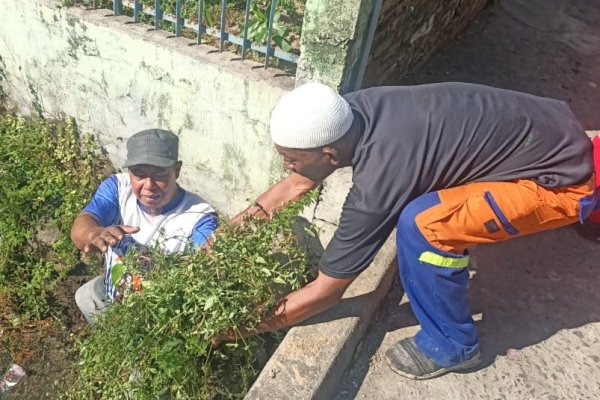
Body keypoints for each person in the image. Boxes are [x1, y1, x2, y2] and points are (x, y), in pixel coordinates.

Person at [227, 82, 599, 379]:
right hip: (553, 128)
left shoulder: (377, 183)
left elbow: (327, 292)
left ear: (329, 154)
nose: (288, 166)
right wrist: (228, 235)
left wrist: (239, 327)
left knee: (424, 225)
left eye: (292, 159)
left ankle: (453, 344)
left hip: (560, 183)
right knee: (427, 205)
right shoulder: (350, 112)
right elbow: (296, 184)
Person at [71, 128, 217, 324]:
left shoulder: (198, 217)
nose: (149, 185)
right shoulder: (118, 189)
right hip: (115, 295)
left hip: (160, 316)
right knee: (86, 297)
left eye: (160, 175)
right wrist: (95, 233)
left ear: (177, 170)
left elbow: (205, 272)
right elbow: (81, 227)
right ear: (129, 172)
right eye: (139, 175)